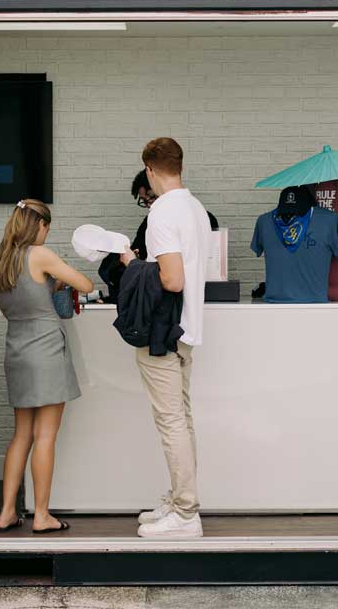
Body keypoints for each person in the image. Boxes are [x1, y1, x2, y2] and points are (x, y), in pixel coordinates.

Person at [121, 138, 212, 538]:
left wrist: (133, 264)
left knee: (171, 421)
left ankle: (186, 514)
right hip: (187, 328)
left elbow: (171, 279)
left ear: (149, 168)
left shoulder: (162, 212)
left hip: (163, 331)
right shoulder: (195, 208)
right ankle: (180, 501)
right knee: (182, 419)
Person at [0, 199, 93, 534]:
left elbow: (21, 297)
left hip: (16, 347)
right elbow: (86, 284)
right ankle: (42, 515)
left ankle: (6, 512)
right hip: (46, 349)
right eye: (48, 226)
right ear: (40, 225)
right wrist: (57, 282)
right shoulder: (40, 255)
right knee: (45, 435)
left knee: (21, 435)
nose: (48, 233)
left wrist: (48, 286)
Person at [98, 170, 218, 300]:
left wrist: (133, 262)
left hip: (187, 294)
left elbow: (173, 281)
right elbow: (139, 252)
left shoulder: (202, 217)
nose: (150, 205)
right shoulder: (151, 222)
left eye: (152, 197)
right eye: (145, 201)